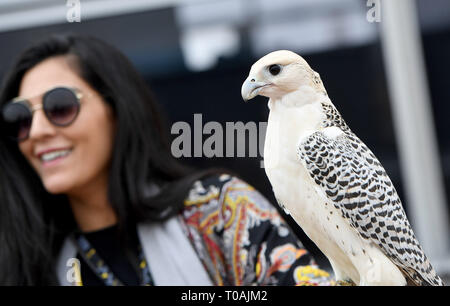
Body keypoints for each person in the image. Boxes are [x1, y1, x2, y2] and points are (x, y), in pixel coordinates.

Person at [0, 34, 333, 286]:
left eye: (60, 106)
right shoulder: (23, 263)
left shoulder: (218, 210)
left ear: (117, 111)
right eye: (20, 117)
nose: (38, 131)